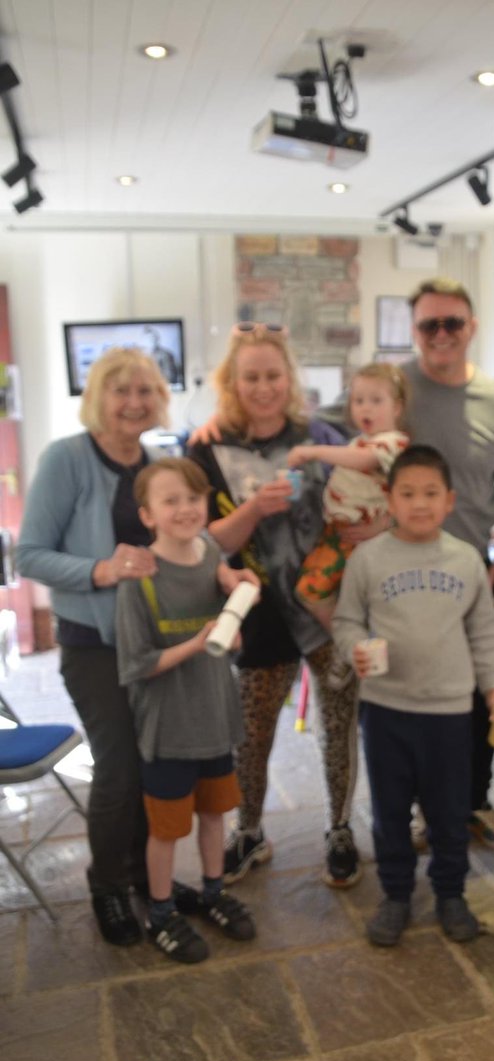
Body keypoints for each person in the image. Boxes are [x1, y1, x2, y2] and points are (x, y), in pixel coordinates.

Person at [17, 347, 183, 946]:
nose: (134, 403)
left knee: (153, 762)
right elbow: (29, 555)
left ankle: (146, 877)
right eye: (121, 391)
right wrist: (100, 571)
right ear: (97, 397)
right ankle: (107, 887)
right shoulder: (67, 458)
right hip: (93, 646)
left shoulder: (159, 463)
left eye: (145, 391)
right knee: (119, 768)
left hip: (154, 646)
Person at [188, 324, 362, 889]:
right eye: (251, 377)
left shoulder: (319, 435)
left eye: (272, 375)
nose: (263, 387)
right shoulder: (207, 447)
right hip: (257, 613)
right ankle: (250, 831)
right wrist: (254, 509)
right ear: (232, 383)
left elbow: (364, 482)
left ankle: (340, 828)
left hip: (327, 607)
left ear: (289, 378)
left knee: (339, 722)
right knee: (252, 732)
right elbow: (202, 541)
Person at [332, 445, 494, 946]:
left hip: (449, 711)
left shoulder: (465, 560)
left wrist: (493, 691)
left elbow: (484, 632)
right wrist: (354, 649)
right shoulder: (368, 558)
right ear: (389, 499)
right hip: (386, 709)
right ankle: (396, 894)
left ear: (449, 500)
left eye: (431, 493)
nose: (420, 503)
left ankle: (451, 893)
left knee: (449, 811)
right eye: (408, 493)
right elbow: (346, 621)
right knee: (390, 811)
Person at [402, 279, 494, 854]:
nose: (441, 334)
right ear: (414, 331)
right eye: (429, 324)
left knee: (486, 693)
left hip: (478, 574)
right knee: (411, 694)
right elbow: (322, 427)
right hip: (403, 573)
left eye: (452, 322)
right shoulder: (394, 390)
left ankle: (476, 800)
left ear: (471, 327)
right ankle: (419, 808)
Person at [115, 458, 257, 963]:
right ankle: (160, 912)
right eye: (170, 500)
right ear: (147, 515)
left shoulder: (212, 555)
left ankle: (214, 892)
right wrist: (197, 644)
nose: (185, 509)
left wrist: (233, 630)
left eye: (193, 498)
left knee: (216, 814)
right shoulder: (139, 581)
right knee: (167, 829)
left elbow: (229, 626)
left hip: (215, 719)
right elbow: (135, 665)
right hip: (169, 730)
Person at [287, 363, 409, 685]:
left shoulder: (393, 443)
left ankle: (364, 653)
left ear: (397, 408)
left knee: (372, 604)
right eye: (358, 401)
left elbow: (365, 462)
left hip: (368, 542)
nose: (365, 408)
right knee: (309, 590)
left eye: (376, 400)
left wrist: (314, 452)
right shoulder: (357, 442)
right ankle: (350, 647)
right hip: (336, 535)